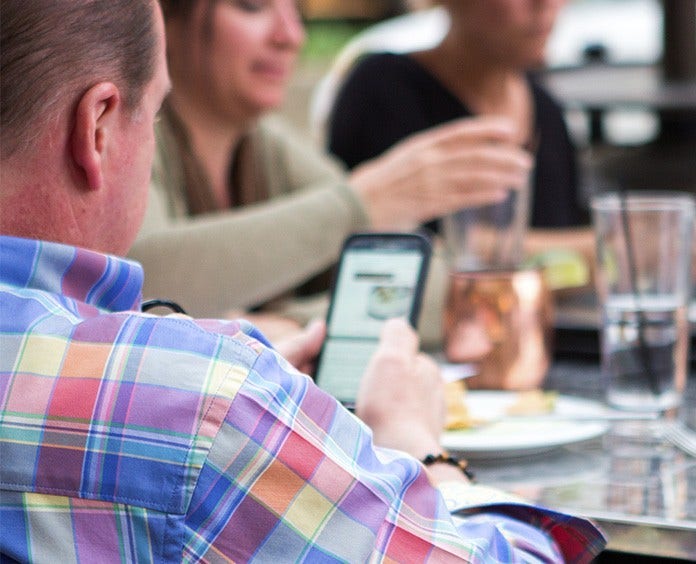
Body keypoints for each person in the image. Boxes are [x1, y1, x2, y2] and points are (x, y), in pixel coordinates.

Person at [0, 1, 608, 561]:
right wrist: (422, 452)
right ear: (98, 128)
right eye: (155, 111)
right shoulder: (210, 401)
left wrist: (279, 324)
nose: (291, 34)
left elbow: (424, 279)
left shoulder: (268, 151)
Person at [127, 0, 533, 321]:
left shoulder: (269, 145)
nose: (291, 36)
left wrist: (289, 324)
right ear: (164, 20)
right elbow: (138, 279)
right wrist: (361, 205)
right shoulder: (131, 137)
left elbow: (437, 286)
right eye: (252, 5)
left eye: (296, 11)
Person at [327, 0, 595, 259]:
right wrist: (601, 247)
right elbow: (395, 250)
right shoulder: (384, 90)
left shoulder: (547, 110)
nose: (546, 3)